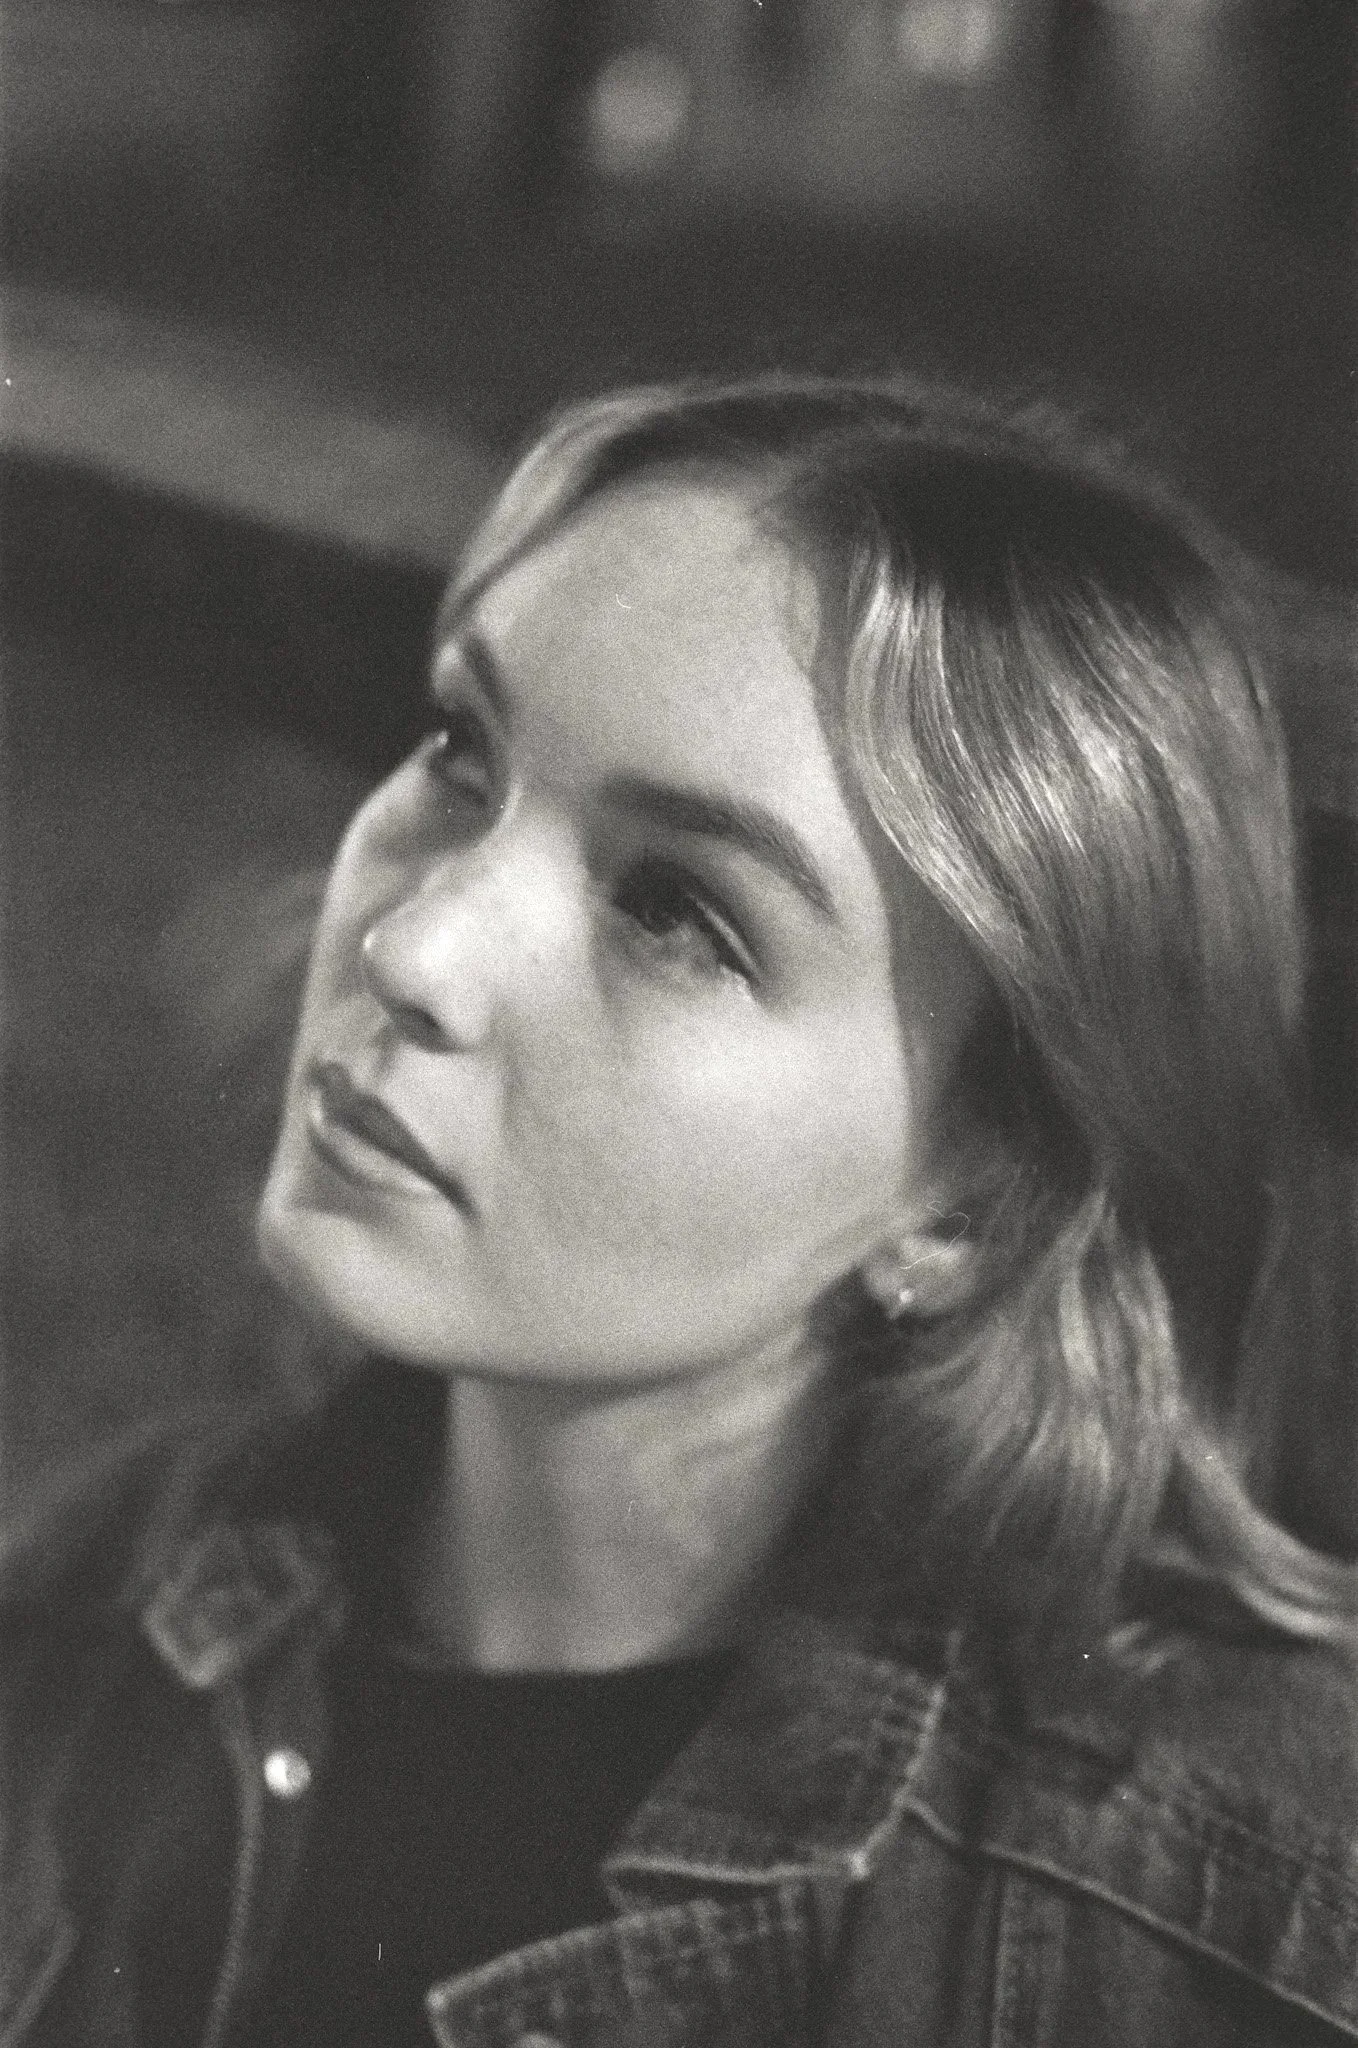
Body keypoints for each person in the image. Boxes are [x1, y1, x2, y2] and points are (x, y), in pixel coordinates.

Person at [4, 374, 1356, 2048]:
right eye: (459, 751)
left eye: (679, 913)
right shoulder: (69, 1603)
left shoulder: (1239, 1911)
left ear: (973, 1202)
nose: (411, 950)